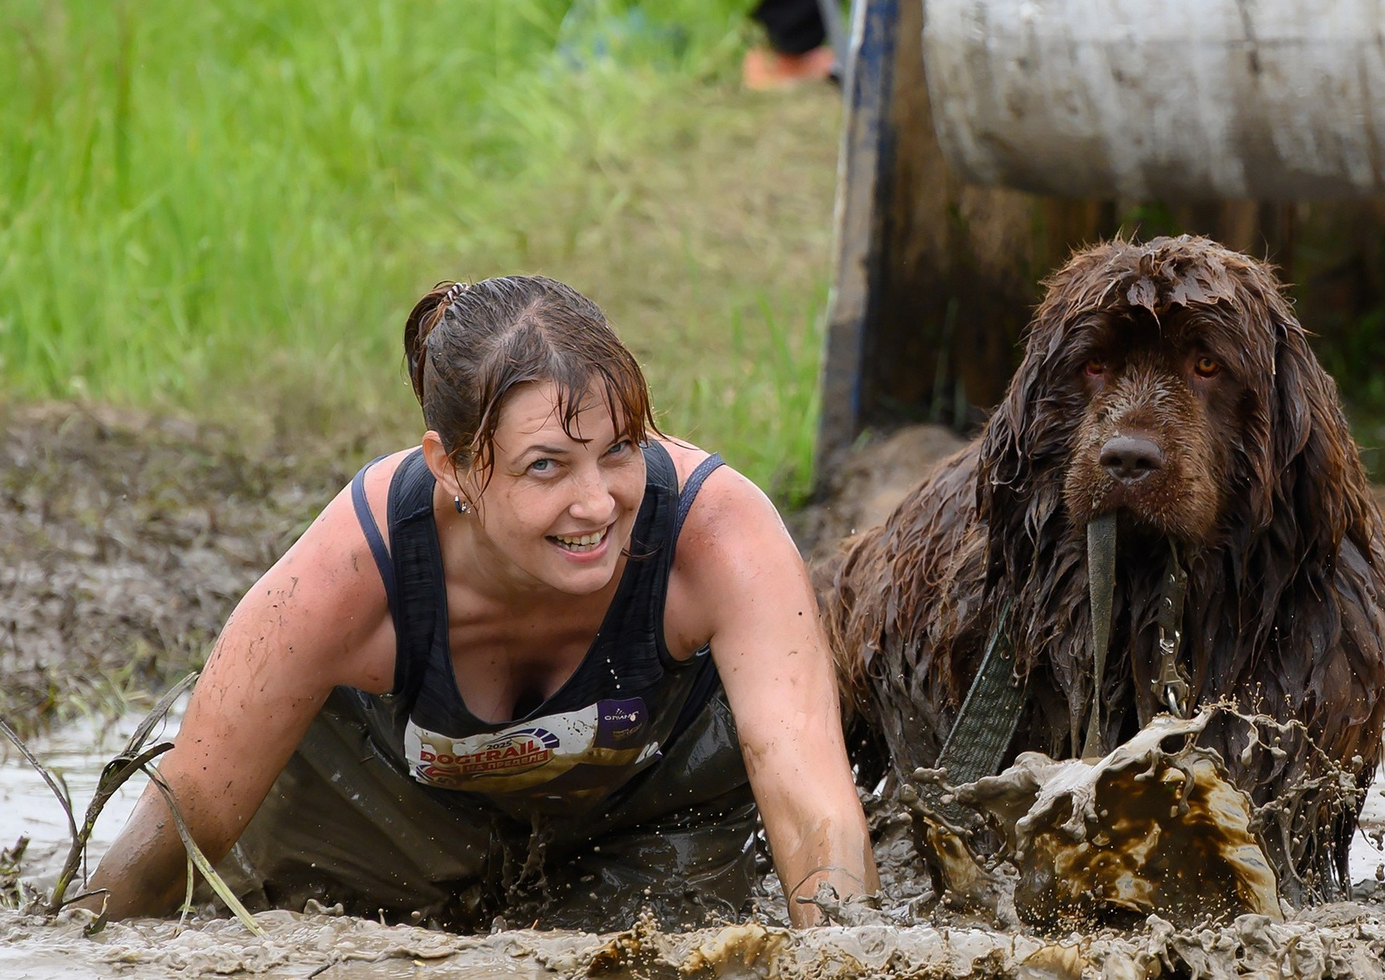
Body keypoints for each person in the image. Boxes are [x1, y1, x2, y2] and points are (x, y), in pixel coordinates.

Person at [89, 275, 877, 930]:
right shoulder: (348, 573)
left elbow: (816, 815)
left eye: (619, 451)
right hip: (381, 823)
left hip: (644, 820)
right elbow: (187, 819)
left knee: (666, 974)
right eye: (546, 467)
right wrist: (82, 956)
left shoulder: (721, 537)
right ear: (452, 467)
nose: (597, 504)